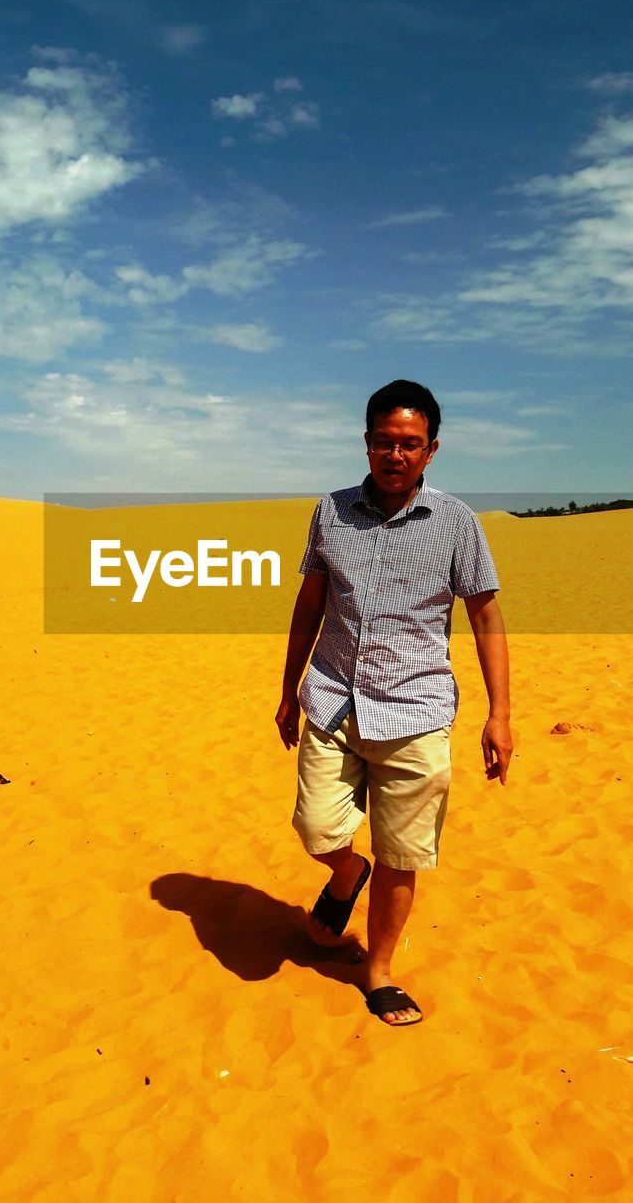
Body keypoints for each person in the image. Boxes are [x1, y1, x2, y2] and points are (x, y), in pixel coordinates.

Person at [275, 379, 512, 1026]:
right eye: (384, 441)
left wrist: (499, 714)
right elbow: (310, 604)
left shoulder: (456, 523)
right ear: (366, 443)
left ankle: (378, 972)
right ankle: (343, 874)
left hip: (414, 712)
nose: (395, 455)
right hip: (331, 701)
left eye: (409, 444)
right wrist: (287, 689)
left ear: (430, 450)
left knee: (401, 854)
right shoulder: (330, 513)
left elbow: (485, 617)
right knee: (318, 829)